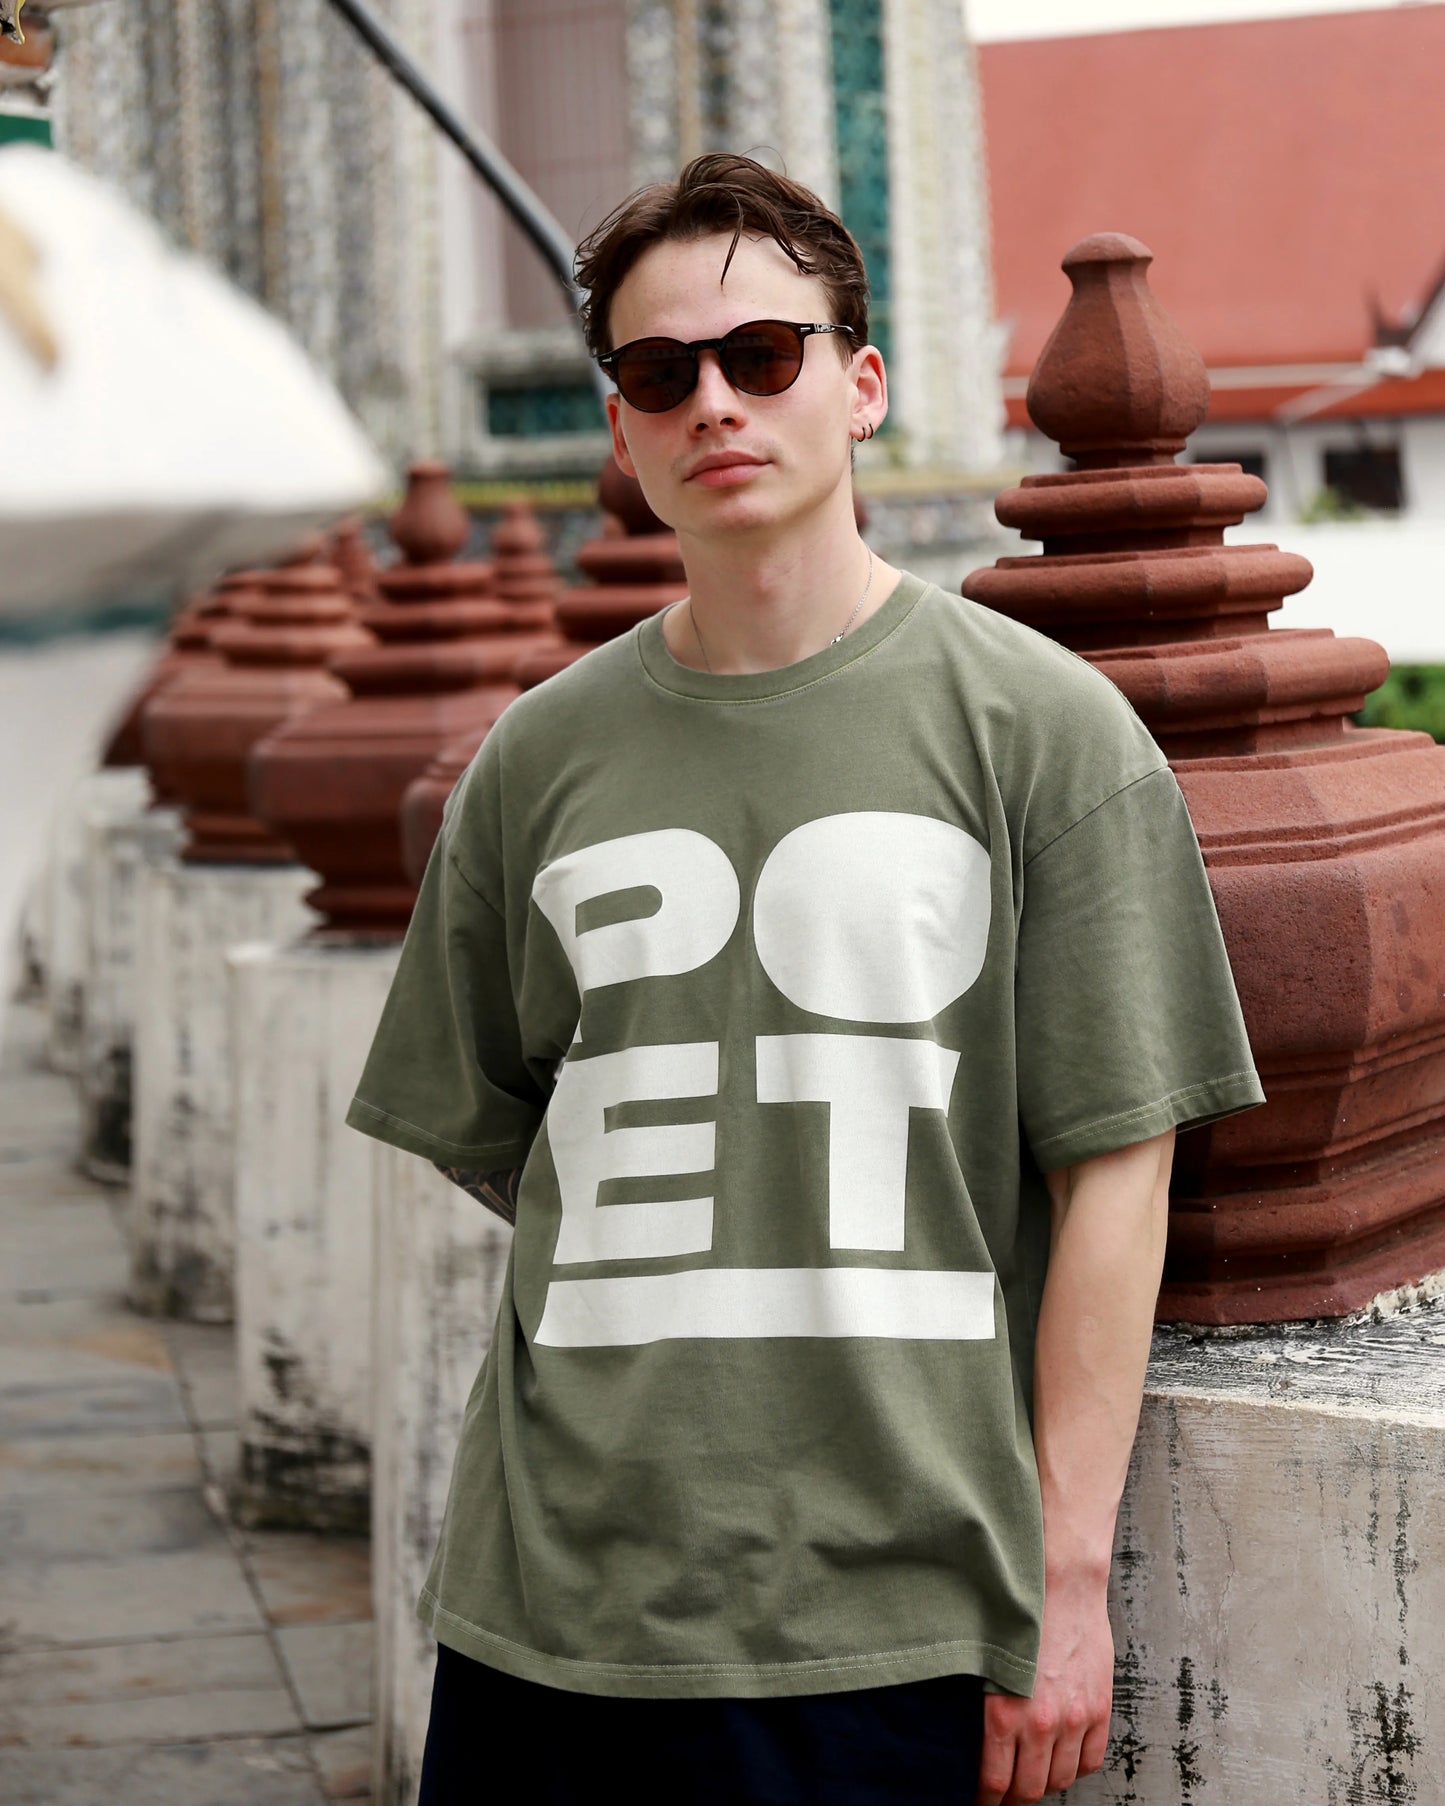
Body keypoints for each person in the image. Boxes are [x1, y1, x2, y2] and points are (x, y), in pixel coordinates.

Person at [345, 152, 1263, 1805]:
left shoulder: (1044, 737)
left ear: (859, 385)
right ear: (621, 430)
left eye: (761, 355)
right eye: (658, 372)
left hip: (891, 1617)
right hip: (551, 1602)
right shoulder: (532, 763)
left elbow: (1116, 1174)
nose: (714, 402)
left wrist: (1062, 1580)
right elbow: (496, 1128)